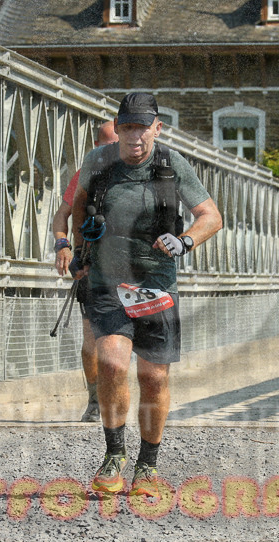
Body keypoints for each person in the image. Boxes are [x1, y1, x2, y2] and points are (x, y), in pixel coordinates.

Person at [70, 92, 222, 497]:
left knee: (153, 377)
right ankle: (115, 455)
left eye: (143, 127)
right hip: (107, 280)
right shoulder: (98, 162)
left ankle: (148, 466)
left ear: (157, 127)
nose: (135, 136)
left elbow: (211, 216)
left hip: (156, 284)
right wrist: (77, 250)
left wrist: (186, 240)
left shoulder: (172, 165)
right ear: (117, 128)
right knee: (114, 365)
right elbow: (78, 205)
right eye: (127, 127)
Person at [52, 120, 118, 422]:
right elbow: (61, 216)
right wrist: (63, 246)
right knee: (91, 342)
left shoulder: (142, 175)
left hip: (128, 270)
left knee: (119, 341)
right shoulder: (83, 176)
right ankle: (94, 399)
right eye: (108, 146)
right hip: (91, 270)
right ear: (96, 147)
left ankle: (115, 396)